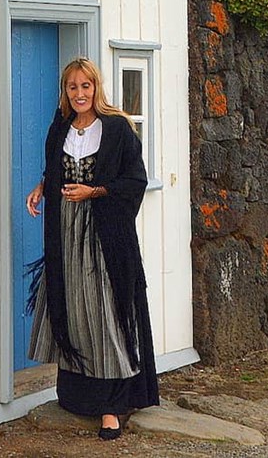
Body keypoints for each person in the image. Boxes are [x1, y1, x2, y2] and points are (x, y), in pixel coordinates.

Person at [25, 57, 158, 440]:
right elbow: (55, 169)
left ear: (96, 88)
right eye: (73, 87)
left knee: (105, 314)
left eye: (86, 86)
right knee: (73, 309)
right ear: (66, 92)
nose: (80, 93)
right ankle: (78, 397)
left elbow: (135, 181)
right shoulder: (60, 127)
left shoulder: (117, 129)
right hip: (65, 235)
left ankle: (113, 408)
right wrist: (41, 187)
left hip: (104, 237)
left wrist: (95, 191)